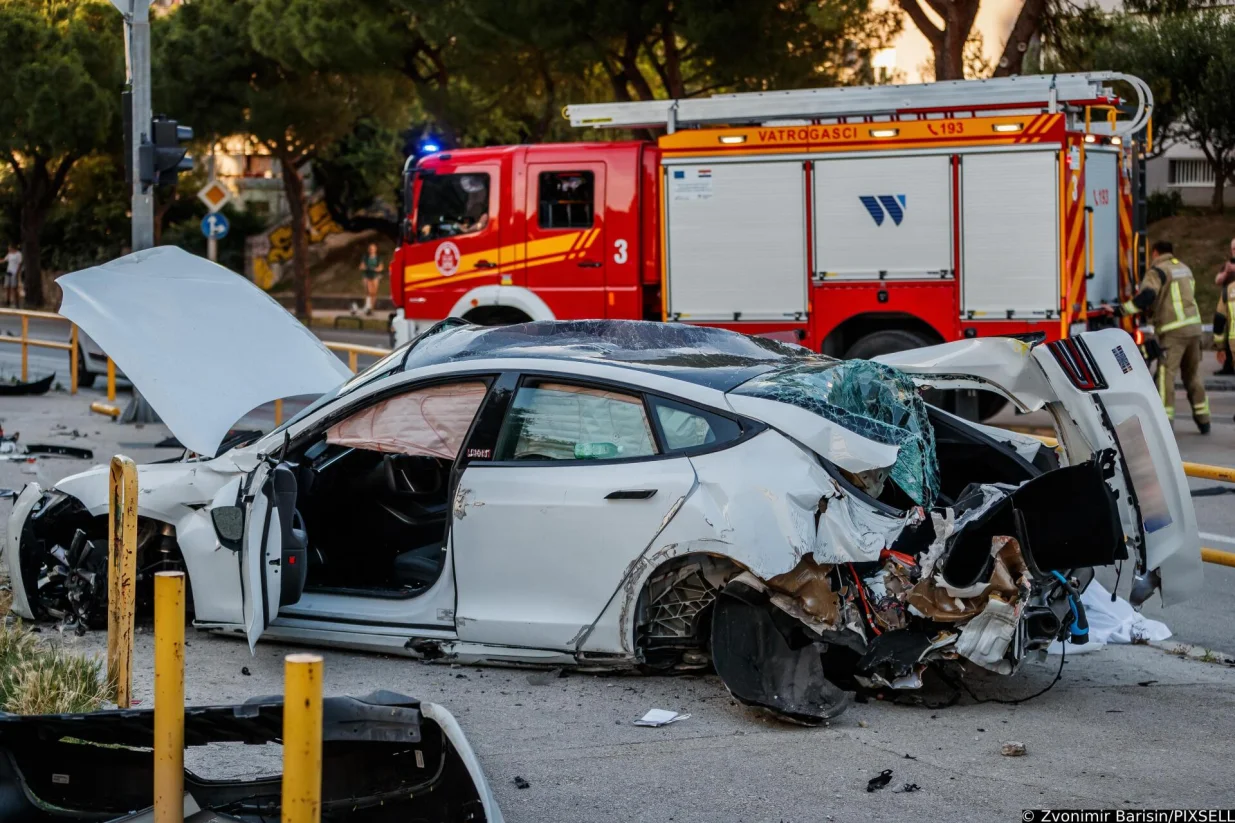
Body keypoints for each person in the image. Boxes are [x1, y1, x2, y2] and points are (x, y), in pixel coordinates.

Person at [1119, 240, 1210, 433]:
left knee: (1166, 375)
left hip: (1173, 331)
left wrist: (1123, 309)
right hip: (1194, 329)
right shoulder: (1185, 269)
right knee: (1192, 374)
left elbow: (1147, 296)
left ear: (1155, 253)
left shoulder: (1157, 271)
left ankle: (1164, 423)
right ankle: (1204, 419)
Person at [1214, 238, 1235, 374]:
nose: (1234, 251)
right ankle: (1228, 365)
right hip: (1228, 301)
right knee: (1227, 334)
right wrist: (1226, 272)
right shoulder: (1228, 264)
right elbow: (1217, 280)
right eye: (1233, 249)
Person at [358, 242, 384, 316]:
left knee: (374, 293)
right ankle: (367, 307)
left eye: (373, 249)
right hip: (367, 275)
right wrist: (365, 268)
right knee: (368, 292)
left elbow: (381, 267)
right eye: (370, 249)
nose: (372, 250)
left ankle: (372, 308)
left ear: (375, 250)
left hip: (375, 275)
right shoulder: (365, 257)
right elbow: (361, 266)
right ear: (368, 250)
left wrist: (376, 269)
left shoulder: (378, 258)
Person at [4, 243, 21, 308]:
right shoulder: (9, 254)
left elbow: (19, 264)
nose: (8, 249)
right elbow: (4, 260)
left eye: (9, 247)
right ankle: (7, 301)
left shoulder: (18, 254)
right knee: (7, 287)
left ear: (12, 247)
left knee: (14, 288)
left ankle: (16, 303)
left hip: (14, 272)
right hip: (8, 272)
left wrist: (17, 273)